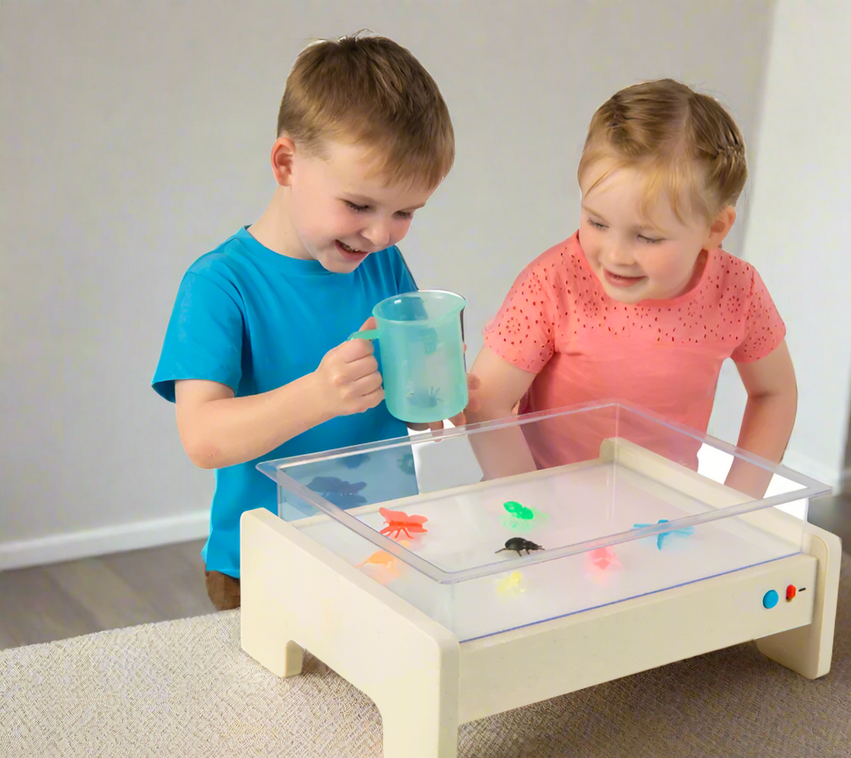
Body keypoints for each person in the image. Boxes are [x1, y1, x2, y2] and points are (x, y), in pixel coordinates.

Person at [153, 33, 466, 610]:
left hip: (381, 546)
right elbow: (202, 438)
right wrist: (319, 395)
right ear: (286, 163)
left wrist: (441, 399)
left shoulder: (382, 263)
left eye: (404, 213)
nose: (379, 234)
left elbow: (414, 397)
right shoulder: (220, 284)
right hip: (265, 563)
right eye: (358, 205)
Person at [467, 79, 797, 497]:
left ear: (714, 229)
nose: (616, 254)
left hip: (661, 516)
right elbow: (485, 401)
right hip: (542, 506)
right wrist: (528, 506)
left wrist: (736, 503)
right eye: (598, 223)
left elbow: (775, 392)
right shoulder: (553, 283)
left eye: (647, 237)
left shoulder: (737, 291)